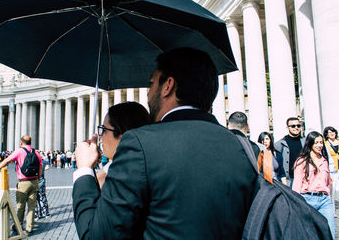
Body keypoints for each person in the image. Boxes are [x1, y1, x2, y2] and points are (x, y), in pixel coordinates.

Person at [72, 48, 258, 239]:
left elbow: (96, 236)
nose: (148, 93)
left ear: (168, 85)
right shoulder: (245, 148)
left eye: (152, 84)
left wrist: (84, 170)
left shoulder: (140, 143)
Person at [0, 135, 42, 234]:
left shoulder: (20, 151)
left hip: (23, 182)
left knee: (20, 205)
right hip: (34, 181)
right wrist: (38, 179)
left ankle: (18, 225)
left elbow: (7, 160)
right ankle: (29, 227)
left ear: (21, 142)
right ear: (30, 142)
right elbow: (40, 166)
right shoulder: (36, 152)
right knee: (32, 206)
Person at [96, 102, 150, 188]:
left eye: (104, 130)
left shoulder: (124, 179)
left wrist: (85, 167)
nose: (100, 135)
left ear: (124, 137)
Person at [292, 131, 335, 239]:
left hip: (324, 201)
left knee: (330, 233)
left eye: (321, 142)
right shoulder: (301, 161)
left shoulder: (324, 160)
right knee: (311, 234)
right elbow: (297, 184)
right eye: (316, 142)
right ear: (310, 143)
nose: (319, 145)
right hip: (307, 200)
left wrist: (328, 197)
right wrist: (296, 204)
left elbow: (328, 182)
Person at [274, 117, 305, 187]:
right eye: (293, 126)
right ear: (287, 128)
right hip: (290, 180)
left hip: (304, 179)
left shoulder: (305, 142)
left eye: (298, 125)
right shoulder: (280, 144)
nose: (296, 128)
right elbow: (279, 165)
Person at [323, 126, 339, 202]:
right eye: (330, 132)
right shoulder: (325, 144)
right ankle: (333, 204)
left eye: (333, 131)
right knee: (333, 188)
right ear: (326, 134)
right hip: (333, 169)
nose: (332, 133)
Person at [35, 153, 50, 219]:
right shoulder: (42, 162)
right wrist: (42, 155)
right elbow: (47, 160)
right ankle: (45, 212)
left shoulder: (32, 163)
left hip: (33, 182)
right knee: (43, 197)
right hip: (41, 182)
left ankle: (36, 213)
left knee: (34, 198)